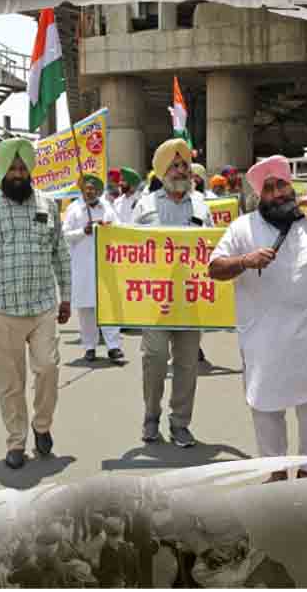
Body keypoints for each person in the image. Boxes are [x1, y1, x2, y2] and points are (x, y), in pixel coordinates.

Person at [208, 155, 307, 482]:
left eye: (282, 185)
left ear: (292, 187)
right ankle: (277, 512)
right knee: (273, 461)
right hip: (265, 354)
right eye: (269, 188)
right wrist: (245, 260)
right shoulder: (242, 228)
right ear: (260, 197)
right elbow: (214, 268)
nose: (277, 193)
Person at [0, 138, 72, 470]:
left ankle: (42, 426)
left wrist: (66, 296)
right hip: (0, 308)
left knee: (48, 369)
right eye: (13, 168)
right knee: (11, 383)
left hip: (42, 306)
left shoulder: (48, 204)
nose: (19, 173)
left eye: (23, 167)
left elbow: (60, 253)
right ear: (2, 170)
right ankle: (16, 441)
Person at [132, 138, 214, 447]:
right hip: (155, 299)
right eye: (176, 166)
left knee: (187, 362)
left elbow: (215, 246)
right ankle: (150, 417)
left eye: (186, 166)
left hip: (191, 298)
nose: (183, 171)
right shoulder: (145, 206)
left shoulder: (202, 207)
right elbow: (127, 248)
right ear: (164, 171)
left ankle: (180, 423)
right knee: (154, 358)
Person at [63, 174, 125, 364]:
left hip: (106, 264)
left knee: (108, 305)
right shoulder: (73, 209)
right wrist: (84, 231)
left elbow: (120, 228)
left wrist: (107, 227)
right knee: (86, 309)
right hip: (83, 265)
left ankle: (114, 347)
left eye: (93, 188)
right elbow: (64, 235)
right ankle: (89, 347)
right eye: (86, 188)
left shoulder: (107, 207)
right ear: (81, 190)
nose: (90, 191)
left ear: (98, 191)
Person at [96, 516, 139, 587]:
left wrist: (91, 567)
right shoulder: (131, 549)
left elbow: (104, 577)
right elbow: (136, 575)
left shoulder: (107, 550)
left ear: (106, 532)